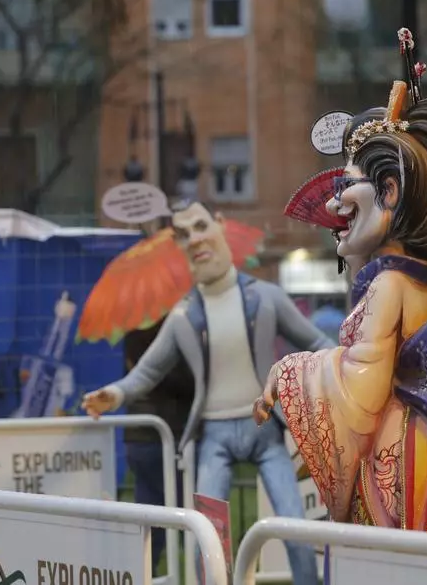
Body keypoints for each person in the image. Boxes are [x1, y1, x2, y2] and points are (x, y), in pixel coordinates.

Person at [255, 80, 427, 537]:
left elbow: (364, 386)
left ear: (389, 191)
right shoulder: (426, 277)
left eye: (346, 186)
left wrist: (291, 371)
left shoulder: (389, 284)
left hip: (404, 458)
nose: (332, 203)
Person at [82, 199, 331, 585]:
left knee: (295, 529)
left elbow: (316, 342)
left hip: (265, 428)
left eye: (200, 226)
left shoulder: (266, 297)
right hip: (213, 435)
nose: (195, 239)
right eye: (183, 234)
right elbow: (148, 370)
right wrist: (114, 394)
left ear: (219, 223)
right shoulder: (183, 316)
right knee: (208, 539)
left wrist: (349, 365)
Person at [120, 318, 191, 573]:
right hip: (168, 433)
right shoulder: (173, 332)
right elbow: (183, 383)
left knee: (149, 518)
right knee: (189, 517)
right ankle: (204, 572)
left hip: (138, 437)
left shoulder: (132, 331)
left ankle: (144, 573)